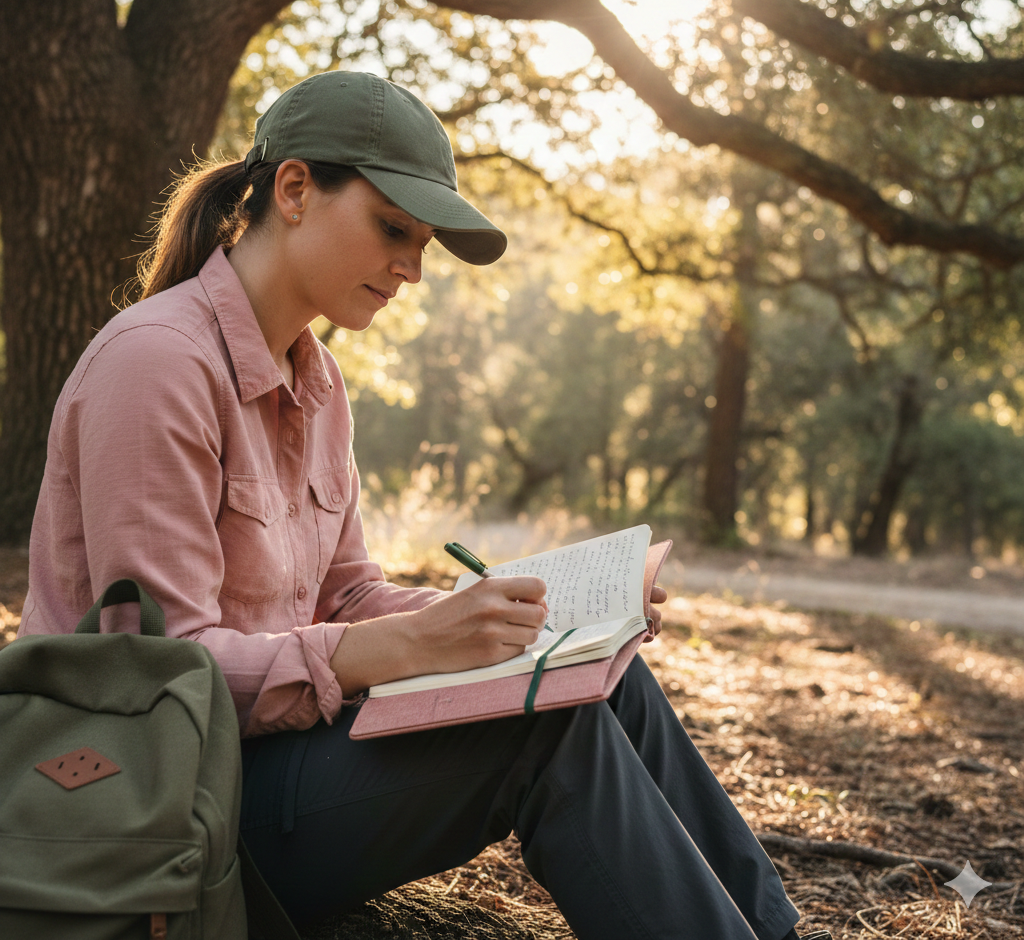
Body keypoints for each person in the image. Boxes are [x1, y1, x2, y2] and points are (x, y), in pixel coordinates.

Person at [19, 71, 827, 940]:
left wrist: (516, 612)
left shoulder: (317, 382)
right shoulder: (158, 365)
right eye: (392, 229)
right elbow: (166, 681)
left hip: (270, 768)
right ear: (294, 189)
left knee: (603, 680)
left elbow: (349, 595)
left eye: (423, 243)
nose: (411, 268)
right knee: (543, 733)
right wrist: (406, 645)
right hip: (161, 812)